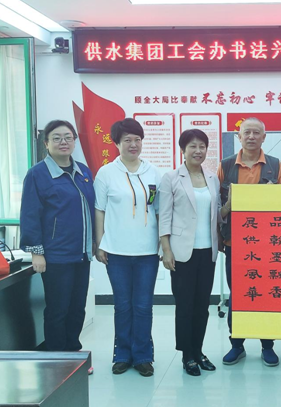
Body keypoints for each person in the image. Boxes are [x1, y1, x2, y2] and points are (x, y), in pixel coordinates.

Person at [20, 120, 95, 360]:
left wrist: (94, 243)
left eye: (68, 137)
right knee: (57, 309)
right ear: (46, 143)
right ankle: (55, 359)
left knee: (77, 308)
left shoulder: (83, 171)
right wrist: (37, 252)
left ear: (74, 141)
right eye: (56, 138)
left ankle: (73, 353)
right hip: (55, 256)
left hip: (82, 254)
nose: (63, 142)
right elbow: (30, 214)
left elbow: (91, 210)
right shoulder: (37, 174)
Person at [218, 117, 281, 367]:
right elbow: (217, 207)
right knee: (238, 295)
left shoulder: (275, 165)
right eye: (246, 132)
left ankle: (267, 345)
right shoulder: (225, 166)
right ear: (239, 136)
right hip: (235, 243)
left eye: (256, 132)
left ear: (263, 137)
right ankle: (236, 344)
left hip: (266, 245)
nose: (251, 136)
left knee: (265, 294)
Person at [94, 118, 161, 377]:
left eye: (137, 139)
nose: (133, 144)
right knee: (122, 305)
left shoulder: (153, 172)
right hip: (117, 252)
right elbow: (99, 210)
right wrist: (100, 244)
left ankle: (143, 356)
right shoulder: (106, 173)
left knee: (143, 306)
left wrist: (163, 245)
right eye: (127, 140)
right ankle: (122, 355)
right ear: (116, 143)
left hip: (147, 252)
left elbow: (159, 210)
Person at [158, 129, 223, 376]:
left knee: (202, 305)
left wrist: (231, 206)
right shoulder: (171, 178)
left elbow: (216, 213)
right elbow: (164, 216)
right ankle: (187, 355)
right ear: (183, 150)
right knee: (185, 305)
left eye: (202, 146)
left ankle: (198, 350)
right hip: (182, 252)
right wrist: (166, 250)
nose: (198, 151)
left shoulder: (212, 178)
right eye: (192, 146)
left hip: (208, 252)